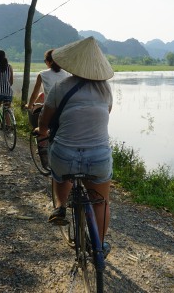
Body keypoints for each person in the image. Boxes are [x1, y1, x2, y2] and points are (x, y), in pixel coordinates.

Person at [36, 37, 114, 254]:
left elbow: (44, 120)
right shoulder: (105, 90)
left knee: (59, 175)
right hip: (98, 156)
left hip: (65, 155)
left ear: (73, 63)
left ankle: (60, 207)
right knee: (101, 201)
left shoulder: (61, 86)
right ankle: (99, 247)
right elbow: (105, 114)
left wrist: (42, 132)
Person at [26, 49, 71, 125]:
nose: (45, 63)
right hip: (65, 109)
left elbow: (34, 94)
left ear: (50, 62)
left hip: (49, 110)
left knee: (41, 131)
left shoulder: (42, 74)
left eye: (45, 61)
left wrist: (29, 106)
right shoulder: (68, 74)